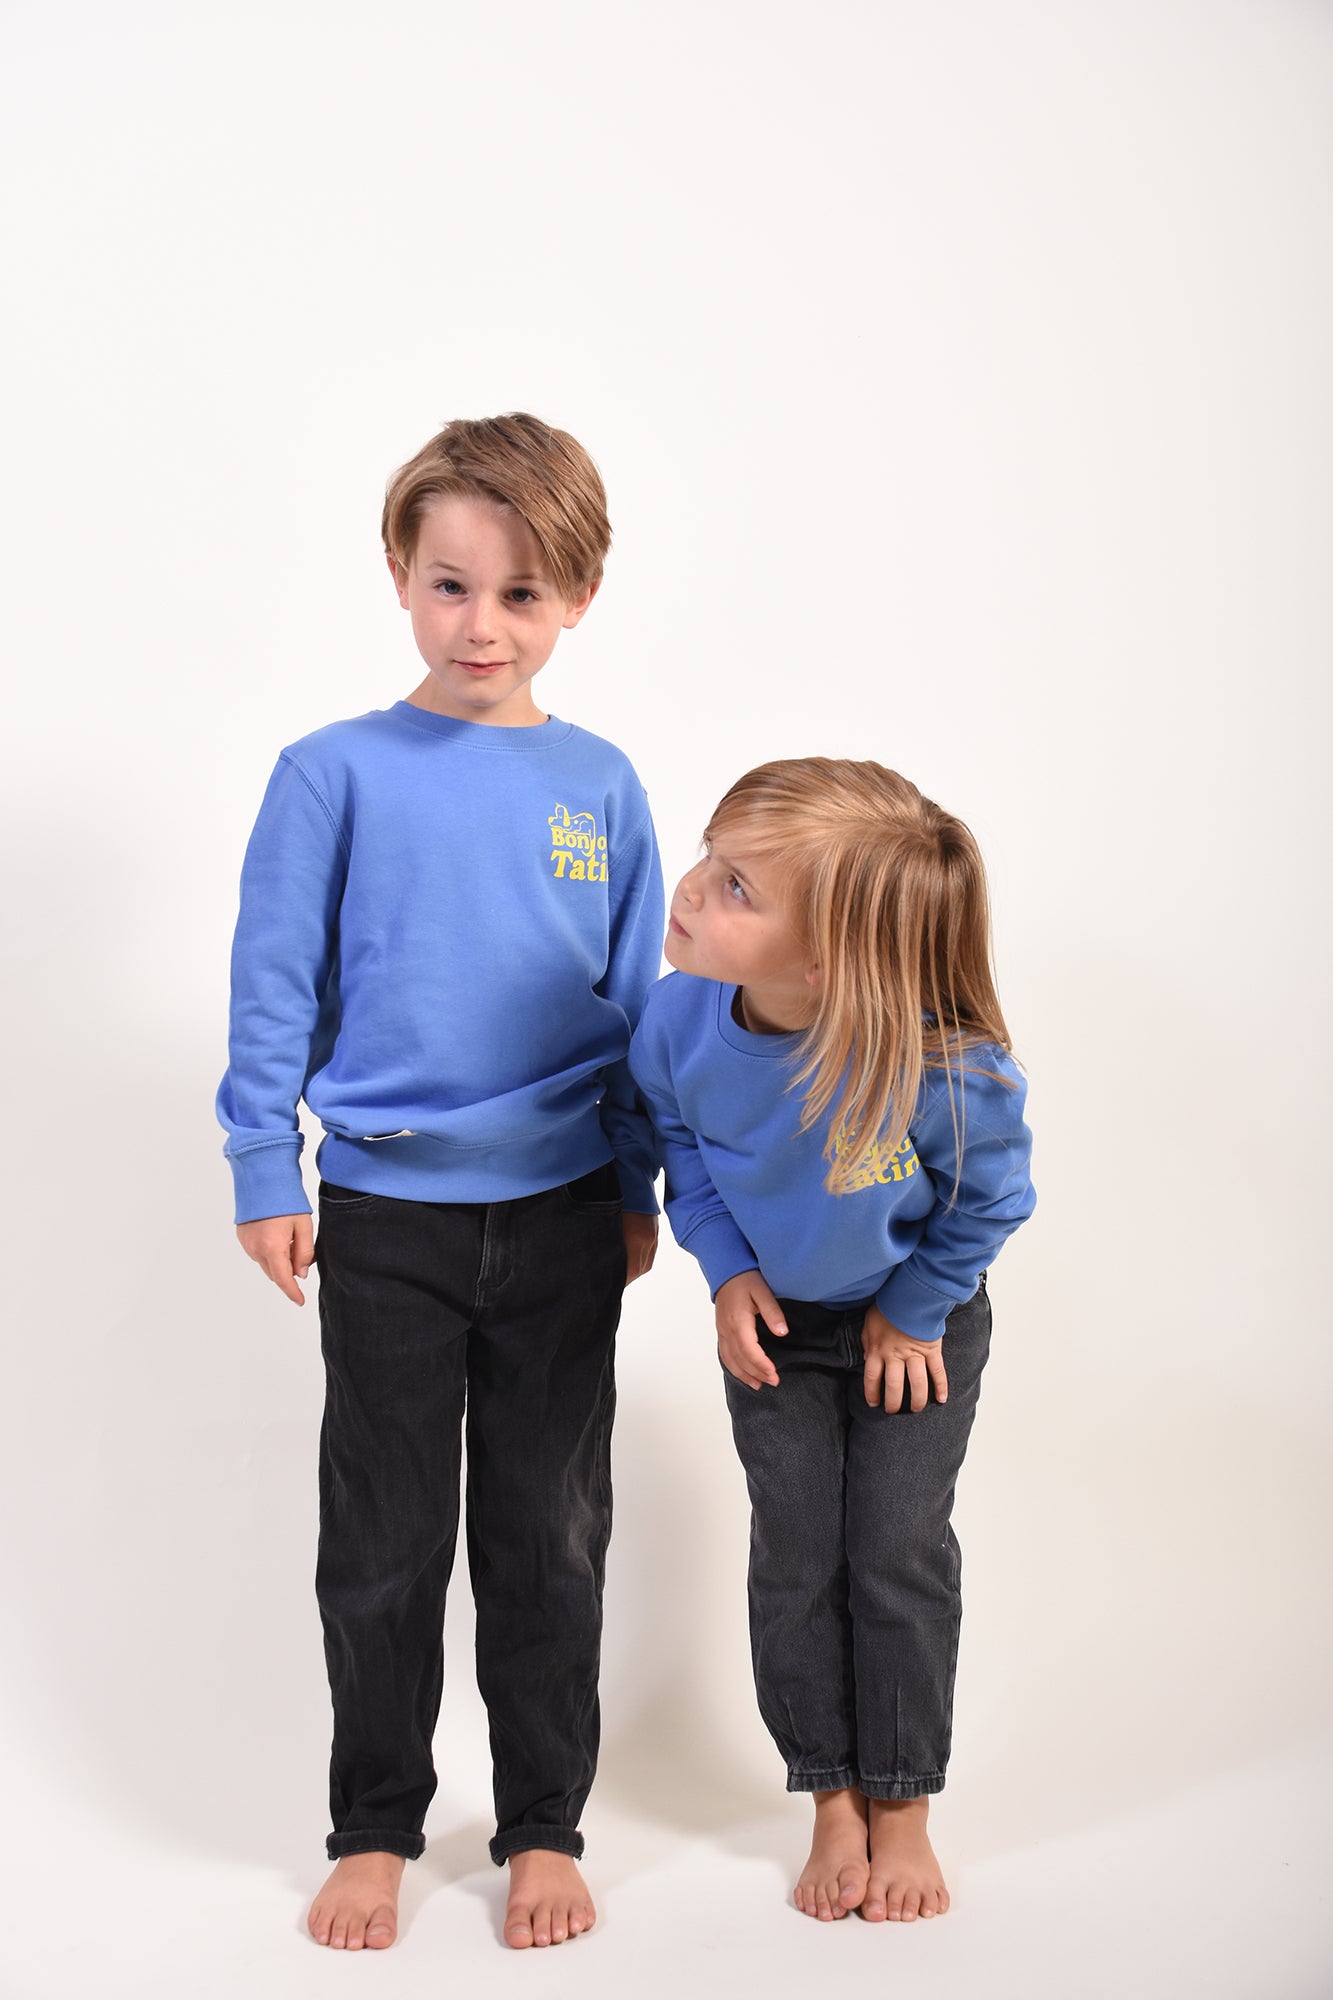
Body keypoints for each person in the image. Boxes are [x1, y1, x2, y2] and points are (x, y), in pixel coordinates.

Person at [217, 413, 663, 1953]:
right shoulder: (331, 773)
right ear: (400, 576)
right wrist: (261, 1162)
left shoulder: (600, 786)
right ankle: (376, 1826)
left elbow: (634, 1014)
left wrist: (634, 1189)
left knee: (547, 1533)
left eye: (524, 596)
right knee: (386, 1538)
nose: (485, 625)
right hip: (389, 1220)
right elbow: (274, 985)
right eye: (454, 585)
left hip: (557, 1215)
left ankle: (543, 1825)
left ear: (578, 602)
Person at [629, 759, 1035, 1926]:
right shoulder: (674, 1018)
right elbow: (677, 1142)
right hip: (778, 1329)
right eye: (710, 857)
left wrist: (913, 1307)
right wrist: (726, 1269)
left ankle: (902, 1800)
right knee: (798, 1554)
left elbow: (988, 1202)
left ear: (822, 965)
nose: (696, 888)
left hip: (914, 1322)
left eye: (738, 886)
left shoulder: (942, 1068)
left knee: (892, 1550)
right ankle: (831, 1792)